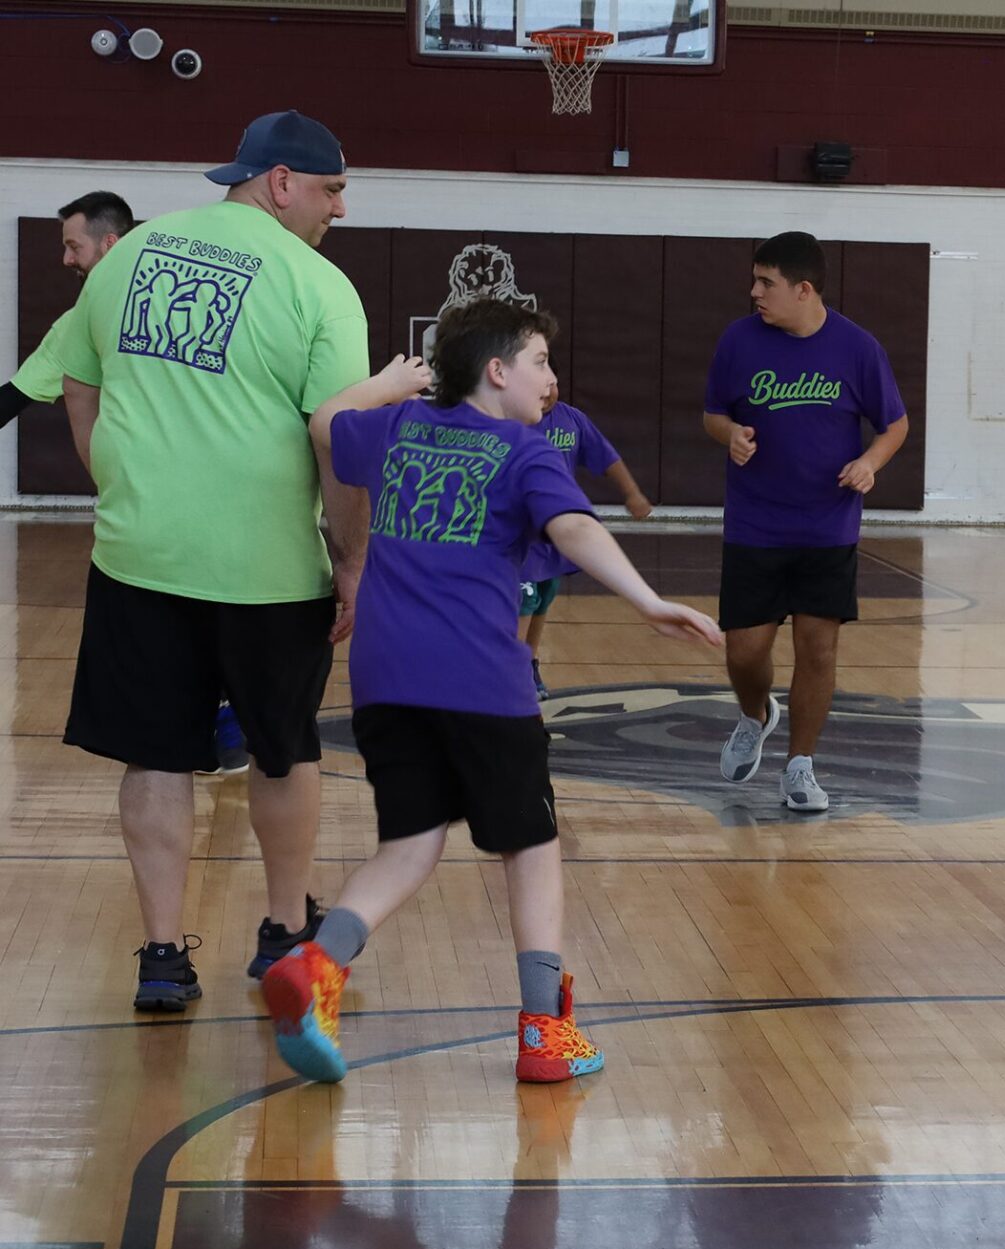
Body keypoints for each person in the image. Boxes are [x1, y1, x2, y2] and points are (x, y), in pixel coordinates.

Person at [265, 299, 721, 1085]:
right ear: (498, 370)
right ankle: (545, 1030)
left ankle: (315, 965)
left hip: (383, 679)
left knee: (409, 842)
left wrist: (385, 381)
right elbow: (574, 529)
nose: (551, 380)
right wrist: (646, 598)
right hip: (479, 677)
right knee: (533, 846)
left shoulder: (395, 429)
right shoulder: (527, 450)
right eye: (540, 361)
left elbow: (325, 422)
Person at [56, 111, 367, 1010]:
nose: (338, 209)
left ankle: (161, 955)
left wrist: (110, 476)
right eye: (332, 189)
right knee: (283, 748)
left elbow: (77, 378)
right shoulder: (317, 284)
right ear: (280, 182)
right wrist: (351, 563)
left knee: (154, 756)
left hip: (137, 553)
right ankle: (281, 935)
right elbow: (339, 438)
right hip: (267, 571)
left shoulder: (126, 256)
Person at [702, 231, 909, 813]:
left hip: (828, 527)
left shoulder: (858, 348)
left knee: (818, 650)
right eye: (755, 281)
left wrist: (869, 463)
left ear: (804, 289)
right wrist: (731, 434)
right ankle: (755, 714)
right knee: (744, 652)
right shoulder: (738, 341)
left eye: (765, 283)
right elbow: (714, 413)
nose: (754, 293)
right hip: (755, 524)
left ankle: (800, 766)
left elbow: (894, 425)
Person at [519, 383, 655, 700]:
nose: (548, 390)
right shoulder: (512, 421)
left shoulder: (572, 420)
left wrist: (632, 492)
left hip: (556, 532)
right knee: (523, 603)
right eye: (539, 384)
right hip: (522, 534)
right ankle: (514, 674)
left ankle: (530, 663)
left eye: (552, 382)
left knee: (542, 600)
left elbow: (607, 457)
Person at [0, 191, 132, 430]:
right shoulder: (78, 322)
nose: (67, 260)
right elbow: (12, 398)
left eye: (74, 247)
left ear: (109, 243)